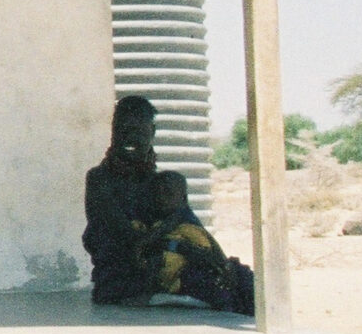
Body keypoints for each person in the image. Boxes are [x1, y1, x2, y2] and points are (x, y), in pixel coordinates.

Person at [84, 96, 255, 314]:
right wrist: (182, 247)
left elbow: (190, 224)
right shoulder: (99, 179)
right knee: (217, 291)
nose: (129, 137)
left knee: (242, 280)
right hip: (124, 277)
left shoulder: (158, 182)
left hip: (168, 264)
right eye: (122, 129)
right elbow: (129, 242)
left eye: (138, 130)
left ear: (152, 132)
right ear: (112, 131)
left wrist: (220, 262)